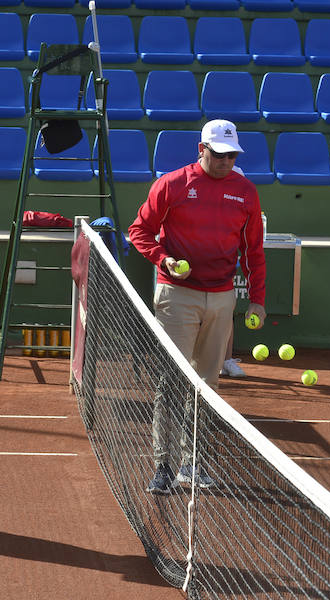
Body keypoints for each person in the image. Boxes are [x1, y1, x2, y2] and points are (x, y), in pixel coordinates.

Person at [129, 119, 266, 495]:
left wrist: (257, 299)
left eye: (231, 155)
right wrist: (163, 259)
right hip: (177, 293)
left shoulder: (246, 192)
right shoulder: (172, 184)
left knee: (207, 385)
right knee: (170, 381)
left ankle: (194, 461)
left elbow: (253, 251)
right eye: (218, 154)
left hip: (222, 298)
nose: (225, 162)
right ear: (201, 148)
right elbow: (139, 230)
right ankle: (163, 464)